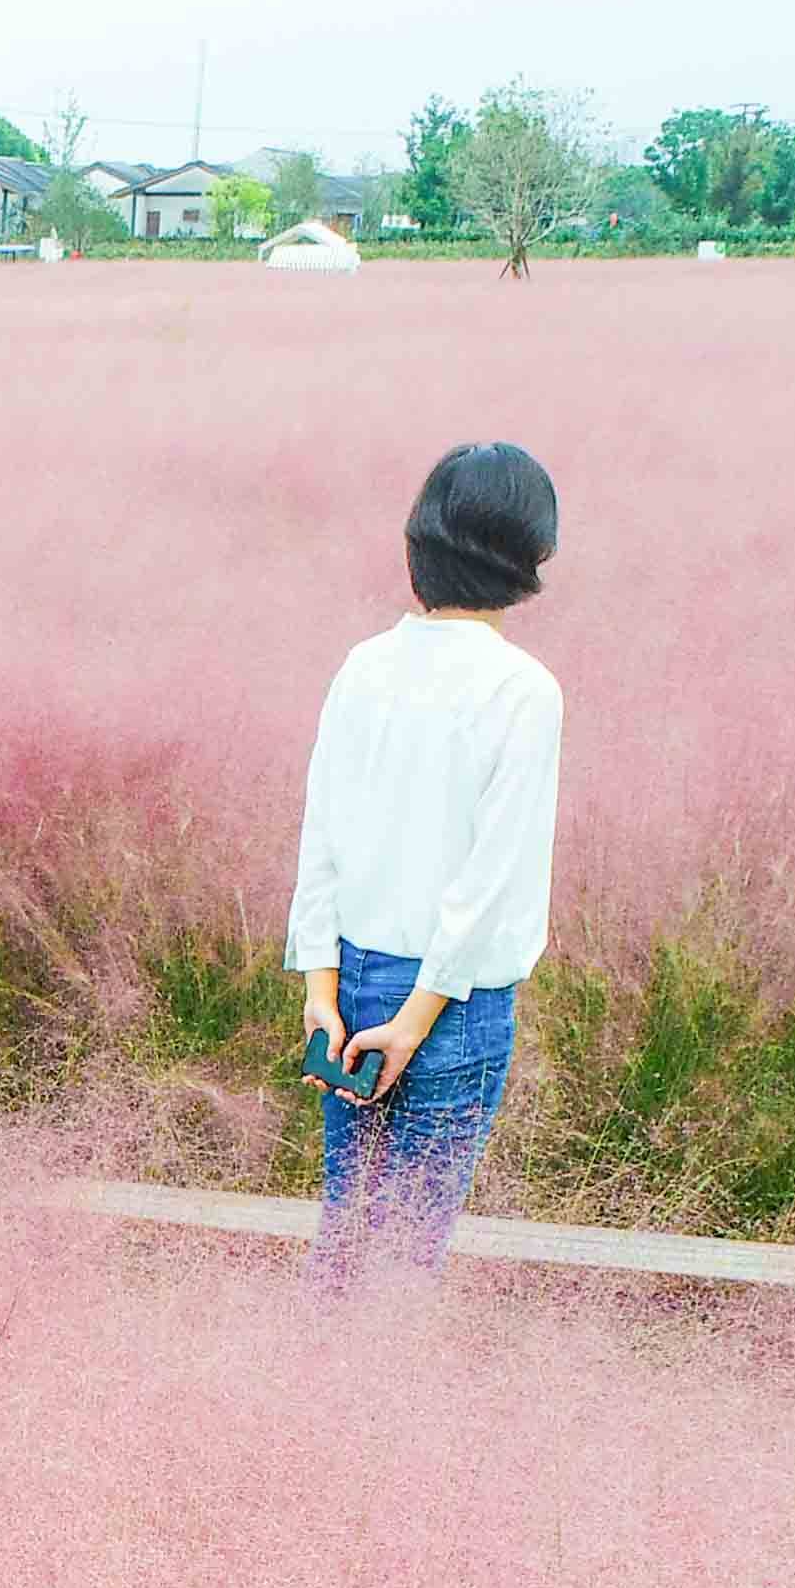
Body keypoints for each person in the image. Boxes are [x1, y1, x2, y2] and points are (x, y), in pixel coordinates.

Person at [288, 443, 565, 1285]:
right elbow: (489, 884)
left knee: (349, 1238)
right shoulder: (522, 690)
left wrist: (320, 994)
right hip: (451, 1004)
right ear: (528, 553)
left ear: (423, 542)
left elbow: (321, 839)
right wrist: (415, 1023)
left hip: (350, 991)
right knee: (406, 1257)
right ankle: (364, 1413)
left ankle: (296, 1405)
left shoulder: (362, 667)